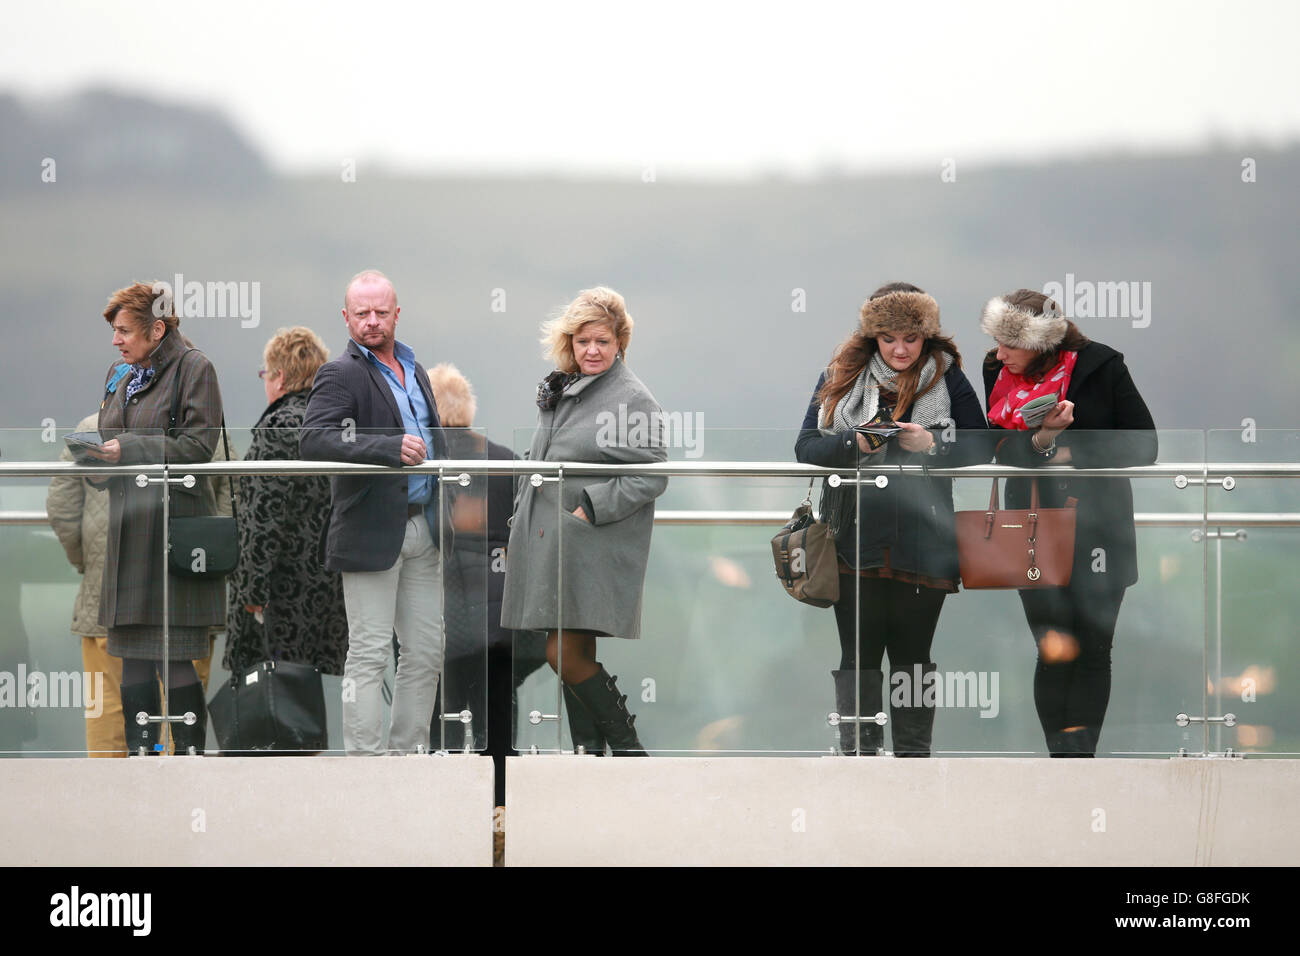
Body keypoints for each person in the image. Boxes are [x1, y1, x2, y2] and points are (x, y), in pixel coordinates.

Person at [795, 283, 988, 756]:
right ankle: (859, 757)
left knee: (914, 658)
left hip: (926, 537)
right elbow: (805, 447)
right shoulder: (841, 375)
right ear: (872, 337)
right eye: (888, 338)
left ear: (927, 337)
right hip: (852, 535)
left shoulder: (949, 378)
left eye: (911, 338)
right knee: (857, 656)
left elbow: (983, 445)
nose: (900, 349)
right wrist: (853, 444)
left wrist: (933, 446)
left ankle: (913, 761)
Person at [980, 289, 1157, 756]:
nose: (999, 354)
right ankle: (1059, 759)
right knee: (1053, 649)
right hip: (1032, 524)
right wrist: (1042, 440)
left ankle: (1081, 760)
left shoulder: (1101, 365)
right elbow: (995, 448)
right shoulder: (997, 371)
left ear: (1041, 342)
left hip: (1100, 524)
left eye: (1009, 344)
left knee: (1095, 648)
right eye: (997, 342)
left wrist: (1071, 448)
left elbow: (1145, 446)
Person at [500, 287, 667, 756]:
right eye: (583, 342)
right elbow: (538, 460)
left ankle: (628, 748)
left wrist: (589, 507)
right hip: (550, 540)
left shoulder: (632, 397)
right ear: (569, 343)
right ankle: (590, 757)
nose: (592, 351)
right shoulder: (562, 387)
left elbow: (653, 475)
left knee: (562, 655)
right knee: (575, 654)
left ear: (620, 344)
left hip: (590, 542)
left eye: (603, 342)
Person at [300, 270, 448, 755]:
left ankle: (408, 758)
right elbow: (314, 439)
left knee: (426, 653)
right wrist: (385, 446)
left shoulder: (415, 368)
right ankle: (366, 766)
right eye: (361, 313)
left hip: (425, 529)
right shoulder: (339, 372)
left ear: (396, 314)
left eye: (381, 312)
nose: (371, 322)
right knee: (368, 654)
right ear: (346, 317)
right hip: (369, 531)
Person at [84, 282, 226, 755]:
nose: (116, 340)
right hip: (128, 531)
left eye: (124, 330)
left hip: (171, 534)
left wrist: (128, 450)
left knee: (175, 655)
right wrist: (97, 461)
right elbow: (110, 437)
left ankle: (189, 761)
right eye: (115, 331)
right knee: (131, 657)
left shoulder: (195, 368)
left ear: (157, 328)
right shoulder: (118, 372)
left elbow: (197, 447)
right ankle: (142, 762)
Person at [48, 411, 222, 755]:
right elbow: (230, 505)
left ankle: (111, 799)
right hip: (184, 590)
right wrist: (208, 569)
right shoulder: (204, 434)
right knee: (179, 708)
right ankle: (179, 795)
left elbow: (61, 507)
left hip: (110, 591)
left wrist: (88, 564)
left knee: (108, 709)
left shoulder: (90, 431)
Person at [423, 363, 546, 798]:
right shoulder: (504, 459)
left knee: (446, 707)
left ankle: (449, 802)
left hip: (450, 613)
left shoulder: (425, 463)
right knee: (498, 706)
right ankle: (501, 804)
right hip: (505, 617)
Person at [225, 328, 348, 699]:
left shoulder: (278, 427)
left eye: (266, 374)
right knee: (303, 697)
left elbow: (263, 518)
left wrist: (251, 589)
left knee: (268, 702)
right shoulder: (329, 425)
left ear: (279, 376)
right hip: (324, 586)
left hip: (279, 590)